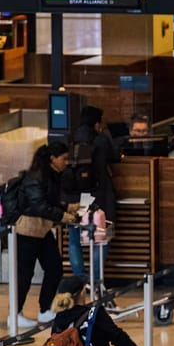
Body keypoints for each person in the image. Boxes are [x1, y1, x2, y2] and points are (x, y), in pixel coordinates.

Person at [9, 140, 71, 328]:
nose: (66, 162)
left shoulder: (51, 175)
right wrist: (63, 215)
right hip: (27, 230)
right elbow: (39, 205)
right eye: (64, 158)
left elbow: (49, 201)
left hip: (42, 229)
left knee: (54, 268)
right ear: (52, 158)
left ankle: (45, 310)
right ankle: (14, 314)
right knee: (24, 274)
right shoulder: (37, 176)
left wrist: (66, 208)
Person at [67, 105, 119, 281]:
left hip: (74, 197)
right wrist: (106, 133)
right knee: (100, 239)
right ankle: (94, 280)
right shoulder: (100, 140)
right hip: (98, 196)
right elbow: (115, 156)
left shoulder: (71, 138)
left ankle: (79, 278)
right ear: (97, 123)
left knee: (74, 238)